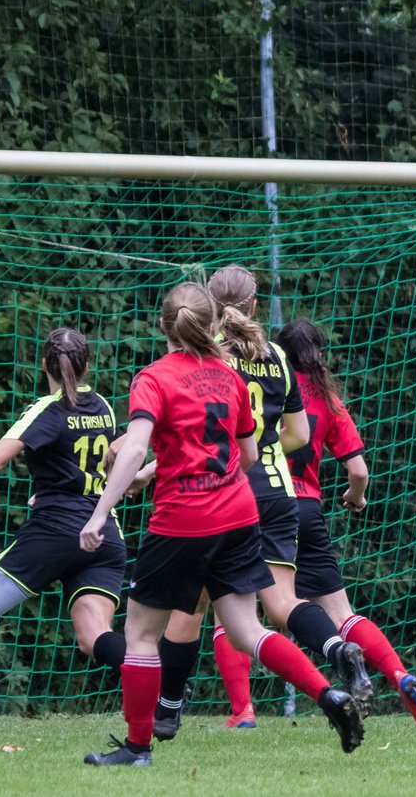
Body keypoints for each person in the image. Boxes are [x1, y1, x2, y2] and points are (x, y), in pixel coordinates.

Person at [79, 282, 361, 766]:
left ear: (163, 326)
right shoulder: (228, 376)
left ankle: (138, 747)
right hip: (238, 513)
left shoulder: (153, 377)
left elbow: (134, 445)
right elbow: (249, 453)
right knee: (247, 630)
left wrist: (102, 512)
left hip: (183, 518)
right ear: (211, 325)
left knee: (143, 634)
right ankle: (329, 696)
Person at [151, 266, 369, 739]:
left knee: (189, 612)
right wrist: (266, 448)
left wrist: (150, 469)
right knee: (277, 607)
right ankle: (334, 648)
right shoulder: (276, 356)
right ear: (253, 305)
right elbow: (299, 435)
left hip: (222, 491)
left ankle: (167, 710)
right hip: (277, 492)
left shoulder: (210, 359)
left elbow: (208, 434)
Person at [276, 317, 416, 725]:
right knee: (341, 612)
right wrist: (355, 497)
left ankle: (241, 712)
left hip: (268, 504)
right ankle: (399, 674)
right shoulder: (329, 400)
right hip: (310, 510)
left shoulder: (267, 388)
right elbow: (359, 470)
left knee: (238, 608)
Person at [0, 329, 127, 677]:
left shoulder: (49, 408)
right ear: (87, 364)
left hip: (58, 531)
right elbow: (95, 463)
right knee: (94, 637)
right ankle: (158, 673)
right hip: (104, 534)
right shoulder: (103, 406)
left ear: (44, 363)